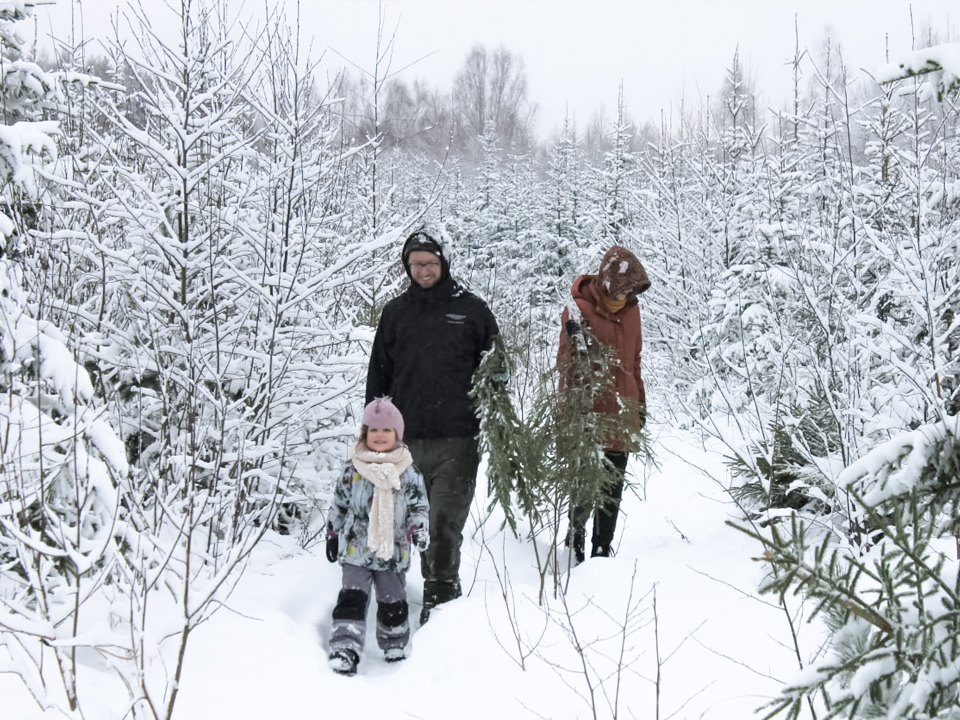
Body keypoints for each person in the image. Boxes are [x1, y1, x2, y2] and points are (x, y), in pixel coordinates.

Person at [366, 222, 499, 624]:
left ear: (444, 262)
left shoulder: (471, 311)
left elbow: (497, 372)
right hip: (404, 446)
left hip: (457, 442)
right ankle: (391, 602)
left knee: (443, 526)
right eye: (415, 264)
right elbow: (378, 378)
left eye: (430, 263)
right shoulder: (396, 313)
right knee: (398, 525)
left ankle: (441, 609)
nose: (423, 271)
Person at [557, 245, 651, 563]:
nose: (626, 296)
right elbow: (566, 367)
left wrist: (639, 403)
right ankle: (575, 547)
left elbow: (634, 361)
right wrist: (568, 411)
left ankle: (602, 551)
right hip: (587, 412)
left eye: (631, 291)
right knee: (584, 486)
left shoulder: (632, 311)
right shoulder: (579, 309)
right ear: (608, 282)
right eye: (622, 290)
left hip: (620, 413)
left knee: (612, 488)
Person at [326, 397, 430, 676]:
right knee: (352, 598)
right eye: (373, 430)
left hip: (392, 550)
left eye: (386, 431)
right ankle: (344, 648)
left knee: (392, 599)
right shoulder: (352, 470)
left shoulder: (409, 473)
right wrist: (333, 533)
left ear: (397, 435)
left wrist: (417, 529)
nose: (380, 435)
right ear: (364, 434)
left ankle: (395, 642)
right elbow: (339, 504)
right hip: (355, 550)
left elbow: (418, 506)